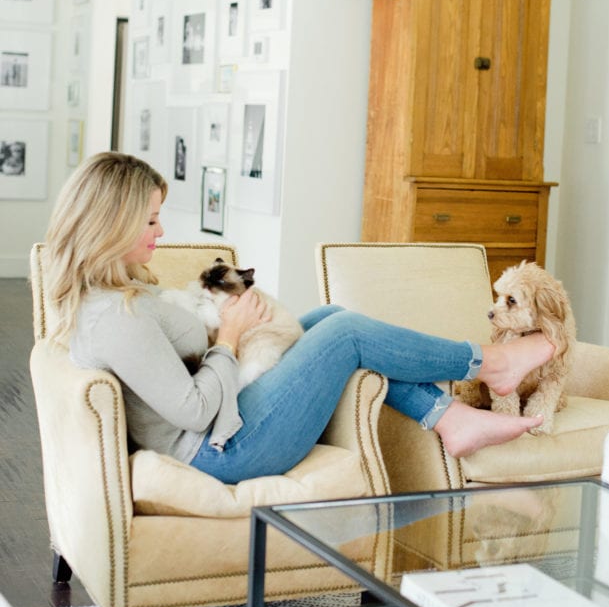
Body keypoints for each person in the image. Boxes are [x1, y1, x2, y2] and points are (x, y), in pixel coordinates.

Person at [45, 152, 552, 486]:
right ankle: (491, 364)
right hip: (221, 449)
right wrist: (233, 333)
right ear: (111, 223)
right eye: (151, 219)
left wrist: (232, 328)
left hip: (229, 416)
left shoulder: (118, 291)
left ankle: (451, 418)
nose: (161, 229)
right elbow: (195, 411)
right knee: (344, 332)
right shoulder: (115, 315)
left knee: (328, 316)